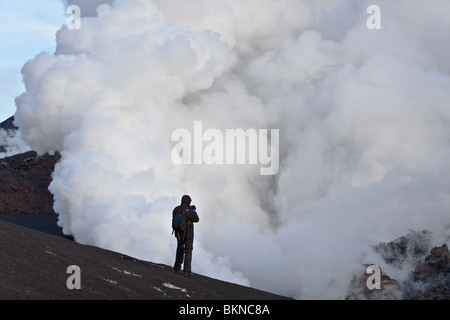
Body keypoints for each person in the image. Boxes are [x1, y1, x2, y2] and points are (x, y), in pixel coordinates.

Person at [172, 195, 199, 277]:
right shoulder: (189, 210)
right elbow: (196, 219)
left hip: (178, 233)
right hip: (188, 234)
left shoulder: (176, 209)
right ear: (188, 202)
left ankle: (177, 268)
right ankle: (187, 271)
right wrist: (193, 211)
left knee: (179, 249)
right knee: (188, 250)